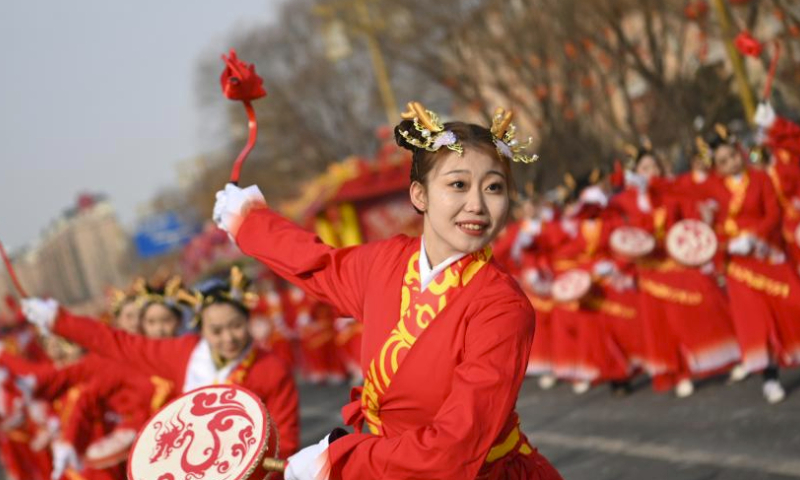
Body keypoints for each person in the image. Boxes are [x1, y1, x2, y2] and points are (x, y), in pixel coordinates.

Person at [213, 102, 563, 480]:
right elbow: (317, 263)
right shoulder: (387, 262)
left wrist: (343, 460)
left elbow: (454, 447)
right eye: (458, 185)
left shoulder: (501, 307)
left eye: (494, 187)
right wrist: (248, 221)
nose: (476, 205)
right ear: (420, 195)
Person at [20, 269, 301, 458]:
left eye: (236, 326)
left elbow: (285, 439)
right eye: (216, 331)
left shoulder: (271, 368)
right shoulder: (182, 353)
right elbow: (116, 343)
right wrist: (58, 320)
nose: (228, 338)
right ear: (200, 329)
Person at [610, 147, 739, 397]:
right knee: (665, 327)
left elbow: (689, 220)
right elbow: (625, 235)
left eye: (654, 166)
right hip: (650, 270)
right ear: (636, 172)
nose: (651, 172)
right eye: (645, 168)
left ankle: (725, 353)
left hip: (676, 261)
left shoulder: (671, 193)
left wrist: (701, 247)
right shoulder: (627, 201)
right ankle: (680, 373)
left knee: (706, 302)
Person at [703, 126, 800, 403]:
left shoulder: (760, 179)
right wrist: (725, 244)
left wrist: (754, 236)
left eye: (733, 156)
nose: (731, 163)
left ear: (740, 153)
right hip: (739, 266)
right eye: (722, 161)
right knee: (756, 322)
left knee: (792, 304)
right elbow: (711, 230)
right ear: (716, 166)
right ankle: (769, 378)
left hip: (766, 254)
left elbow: (773, 213)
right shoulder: (712, 191)